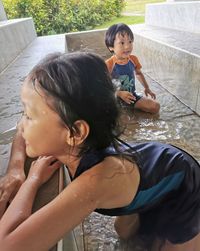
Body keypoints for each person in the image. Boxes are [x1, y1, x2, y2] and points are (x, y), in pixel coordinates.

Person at [0, 52, 199, 251]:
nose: (21, 123)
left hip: (184, 183)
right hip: (148, 166)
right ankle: (147, 208)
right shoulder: (73, 142)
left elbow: (7, 245)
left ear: (76, 132)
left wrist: (33, 180)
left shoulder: (95, 182)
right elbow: (20, 131)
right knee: (125, 233)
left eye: (29, 115)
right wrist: (15, 169)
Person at [105, 23, 160, 114]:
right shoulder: (109, 64)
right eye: (122, 43)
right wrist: (119, 93)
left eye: (130, 41)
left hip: (131, 96)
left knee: (155, 107)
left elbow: (138, 73)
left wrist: (147, 88)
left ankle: (130, 108)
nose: (127, 46)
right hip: (114, 99)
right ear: (111, 47)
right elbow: (103, 85)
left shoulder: (133, 59)